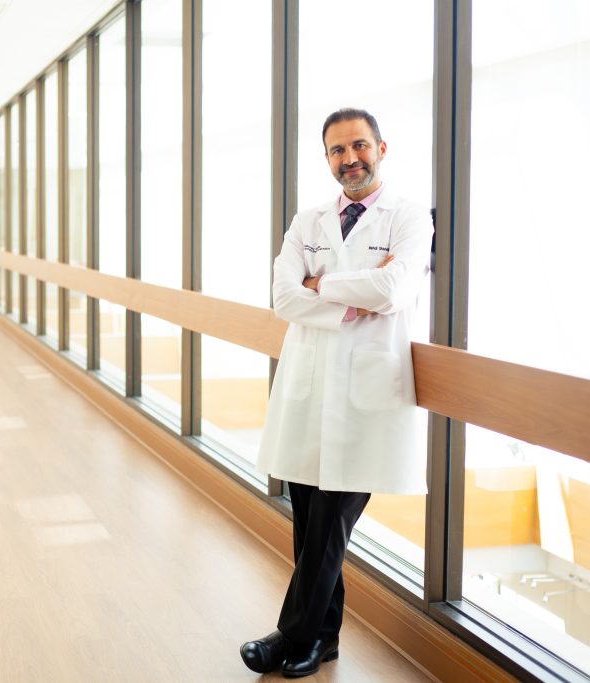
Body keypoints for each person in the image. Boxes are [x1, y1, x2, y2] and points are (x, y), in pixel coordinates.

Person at [240, 108, 433, 678]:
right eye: (337, 150)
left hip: (368, 398)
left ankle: (289, 637)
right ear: (326, 158)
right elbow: (282, 298)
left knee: (328, 525)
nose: (350, 158)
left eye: (359, 146)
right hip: (310, 388)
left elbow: (394, 290)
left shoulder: (408, 218)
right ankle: (322, 640)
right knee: (310, 522)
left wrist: (319, 285)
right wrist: (351, 297)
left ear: (381, 148)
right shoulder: (309, 220)